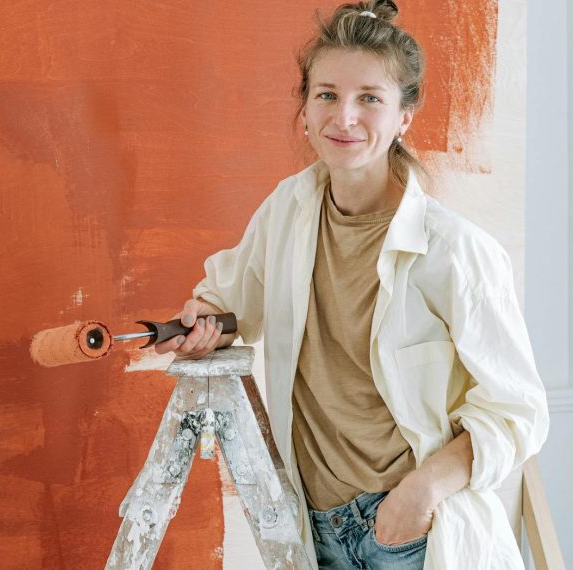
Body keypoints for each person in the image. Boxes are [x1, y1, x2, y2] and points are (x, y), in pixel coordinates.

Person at [154, 1, 549, 568]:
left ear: (404, 116)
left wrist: (420, 494)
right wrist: (201, 325)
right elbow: (232, 301)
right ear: (305, 109)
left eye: (370, 98)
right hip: (313, 529)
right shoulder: (286, 211)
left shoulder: (455, 251)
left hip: (409, 534)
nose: (344, 117)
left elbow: (518, 411)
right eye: (327, 94)